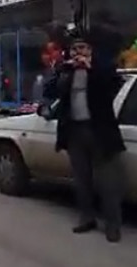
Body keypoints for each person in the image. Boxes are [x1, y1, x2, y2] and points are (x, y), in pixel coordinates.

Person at [43, 30, 126, 243]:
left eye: (83, 48)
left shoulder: (104, 68)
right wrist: (62, 71)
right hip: (75, 132)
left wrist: (91, 69)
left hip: (100, 132)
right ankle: (87, 217)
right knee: (81, 180)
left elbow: (112, 87)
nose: (78, 52)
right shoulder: (67, 70)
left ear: (91, 50)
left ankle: (113, 225)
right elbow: (50, 90)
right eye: (75, 49)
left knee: (107, 182)